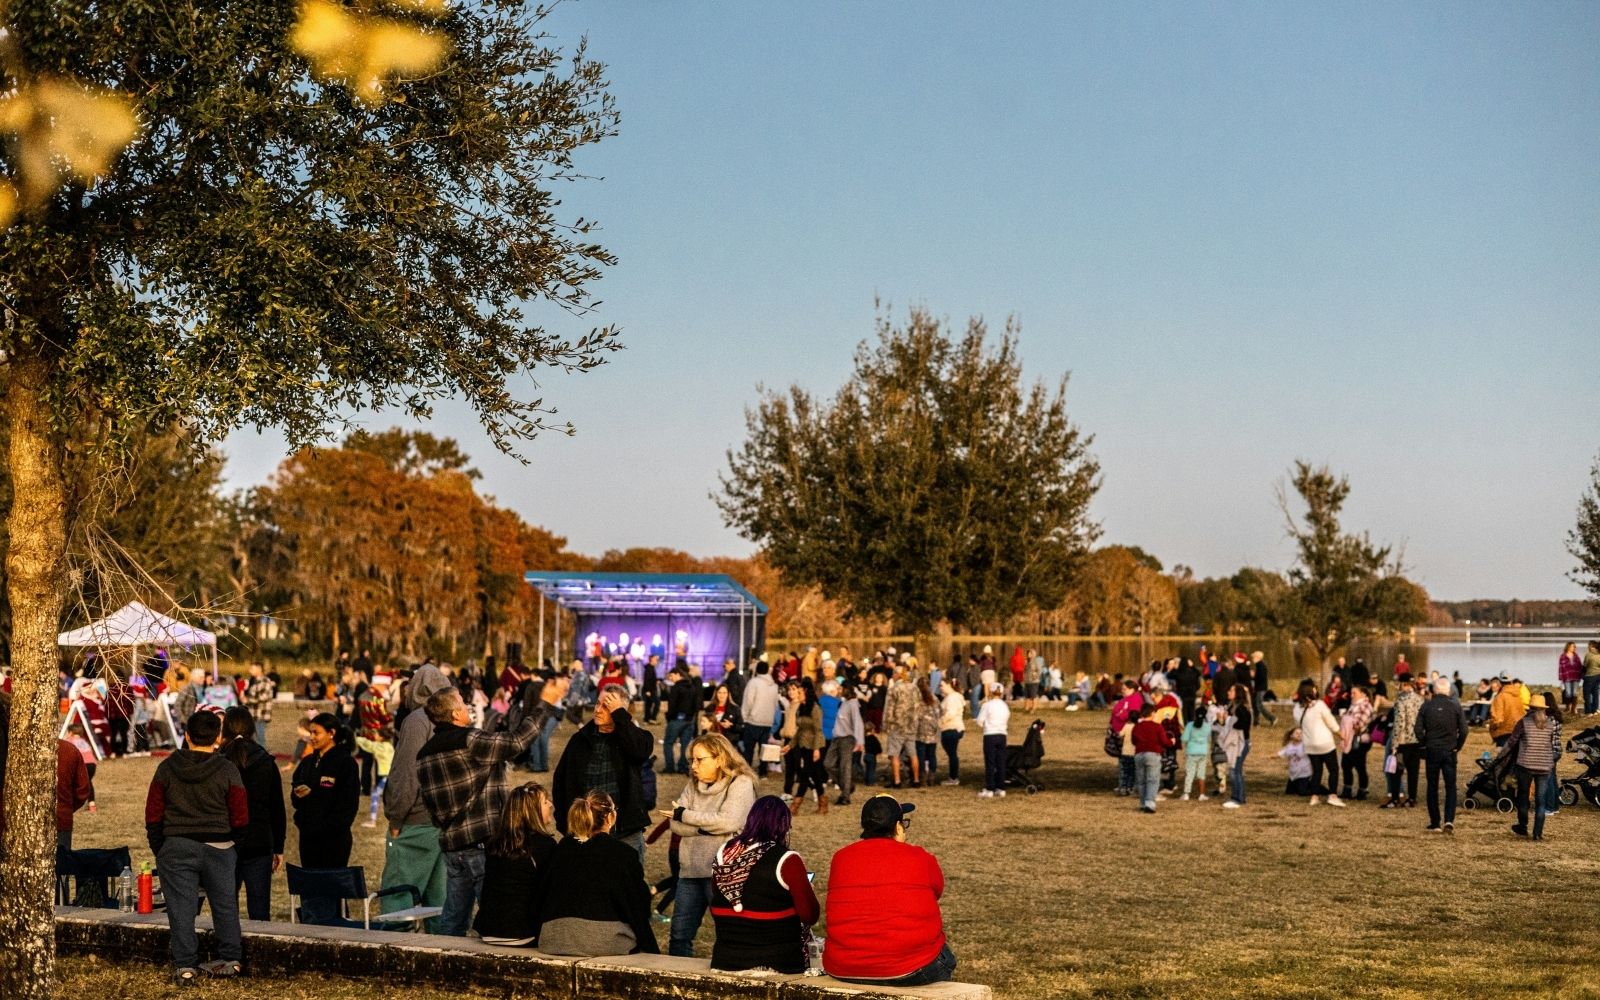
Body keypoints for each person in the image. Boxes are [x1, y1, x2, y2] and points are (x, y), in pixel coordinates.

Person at [417, 678, 563, 936]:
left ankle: (444, 957)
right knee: (495, 915)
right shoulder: (470, 740)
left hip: (452, 846)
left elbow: (430, 803)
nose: (467, 706)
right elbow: (517, 741)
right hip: (482, 843)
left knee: (454, 919)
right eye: (462, 702)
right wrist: (544, 705)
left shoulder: (424, 755)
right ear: (455, 714)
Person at [145, 709, 248, 984]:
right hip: (220, 845)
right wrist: (234, 845)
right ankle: (231, 959)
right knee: (225, 905)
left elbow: (153, 813)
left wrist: (161, 847)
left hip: (176, 845)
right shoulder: (227, 769)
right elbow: (240, 814)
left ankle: (186, 965)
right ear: (218, 738)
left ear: (187, 735)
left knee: (180, 909)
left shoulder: (167, 767)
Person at [822, 794, 954, 985]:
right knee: (945, 957)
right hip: (912, 968)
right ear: (898, 827)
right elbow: (937, 891)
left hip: (843, 967)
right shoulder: (920, 857)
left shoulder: (841, 858)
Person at [662, 733, 757, 957]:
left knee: (729, 934)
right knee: (679, 935)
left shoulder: (741, 783)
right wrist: (703, 827)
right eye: (691, 760)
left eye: (699, 759)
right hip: (690, 870)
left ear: (719, 759)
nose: (693, 766)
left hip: (723, 874)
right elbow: (675, 825)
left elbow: (729, 821)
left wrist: (685, 815)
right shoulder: (692, 785)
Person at [532, 791, 658, 956]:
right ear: (609, 817)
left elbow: (541, 895)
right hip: (604, 941)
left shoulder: (560, 849)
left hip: (555, 938)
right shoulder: (624, 854)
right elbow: (639, 905)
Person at [708, 795, 820, 973]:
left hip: (725, 958)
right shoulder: (787, 860)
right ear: (783, 825)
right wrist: (807, 891)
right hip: (775, 961)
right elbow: (809, 915)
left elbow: (717, 892)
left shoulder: (724, 853)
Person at [381, 663, 453, 924]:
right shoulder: (450, 720)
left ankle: (393, 947)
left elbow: (406, 775)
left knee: (398, 903)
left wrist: (396, 819)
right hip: (444, 822)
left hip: (416, 823)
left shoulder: (417, 720)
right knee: (440, 904)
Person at [552, 686, 654, 858]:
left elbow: (640, 751)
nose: (598, 710)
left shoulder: (635, 737)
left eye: (606, 706)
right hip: (585, 832)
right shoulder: (579, 740)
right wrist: (565, 823)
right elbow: (560, 782)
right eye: (597, 704)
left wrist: (620, 715)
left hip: (625, 832)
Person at [473, 783, 558, 946]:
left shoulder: (496, 844)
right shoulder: (544, 845)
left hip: (489, 930)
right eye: (545, 801)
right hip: (522, 932)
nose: (551, 804)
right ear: (532, 811)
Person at [221, 707, 285, 921]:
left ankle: (229, 941)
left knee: (226, 909)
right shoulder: (265, 760)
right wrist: (278, 846)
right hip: (259, 841)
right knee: (259, 911)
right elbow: (276, 808)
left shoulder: (219, 760)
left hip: (226, 840)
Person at [290, 713, 360, 870]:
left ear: (331, 733)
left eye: (316, 733)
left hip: (333, 841)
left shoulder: (346, 763)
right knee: (311, 883)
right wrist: (298, 796)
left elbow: (348, 805)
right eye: (310, 733)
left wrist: (313, 795)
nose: (312, 737)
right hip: (308, 838)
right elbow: (295, 798)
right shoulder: (307, 763)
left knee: (330, 884)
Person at [1415, 676, 1469, 833]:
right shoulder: (1455, 706)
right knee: (1450, 786)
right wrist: (1457, 746)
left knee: (1432, 786)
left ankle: (1435, 822)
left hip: (1432, 749)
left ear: (1434, 690)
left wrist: (1424, 742)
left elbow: (1418, 729)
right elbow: (1464, 730)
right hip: (1449, 750)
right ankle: (1449, 820)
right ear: (1449, 690)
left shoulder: (1426, 706)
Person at [1506, 694, 1560, 841]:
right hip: (1544, 766)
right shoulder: (1550, 723)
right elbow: (1549, 743)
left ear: (1530, 707)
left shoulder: (1524, 722)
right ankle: (1537, 833)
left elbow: (1512, 741)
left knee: (1523, 796)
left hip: (1526, 765)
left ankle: (1523, 826)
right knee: (1540, 800)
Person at [1292, 680, 1344, 807]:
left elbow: (1298, 725)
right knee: (1333, 769)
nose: (1316, 690)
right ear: (1310, 691)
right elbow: (1331, 722)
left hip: (1309, 745)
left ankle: (1314, 797)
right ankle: (1332, 796)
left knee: (1317, 771)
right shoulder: (1319, 705)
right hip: (1325, 743)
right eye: (1314, 688)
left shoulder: (1297, 708)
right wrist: (1341, 734)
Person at [1384, 673, 1424, 808]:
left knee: (1396, 771)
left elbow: (1399, 723)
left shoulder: (1401, 700)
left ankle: (1395, 799)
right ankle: (1412, 798)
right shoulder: (1420, 699)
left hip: (1402, 742)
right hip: (1416, 741)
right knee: (1413, 772)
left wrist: (1394, 744)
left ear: (1404, 684)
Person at [738, 660, 780, 771]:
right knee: (764, 749)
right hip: (767, 721)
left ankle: (747, 770)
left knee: (749, 748)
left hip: (753, 720)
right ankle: (763, 771)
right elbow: (775, 704)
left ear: (756, 670)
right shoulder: (774, 685)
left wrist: (744, 716)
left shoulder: (753, 683)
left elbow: (748, 701)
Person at [1131, 703, 1173, 813]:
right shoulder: (1157, 726)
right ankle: (1149, 803)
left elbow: (1134, 741)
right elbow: (1164, 741)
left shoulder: (1137, 726)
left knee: (1141, 781)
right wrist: (1171, 742)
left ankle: (1142, 802)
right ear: (1152, 713)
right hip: (1153, 754)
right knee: (1152, 780)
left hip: (1139, 754)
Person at [1338, 685, 1375, 801]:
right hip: (1350, 738)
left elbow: (1358, 725)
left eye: (1354, 693)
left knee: (1359, 765)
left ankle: (1362, 790)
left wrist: (1345, 719)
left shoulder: (1365, 706)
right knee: (1346, 764)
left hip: (1360, 740)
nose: (1352, 695)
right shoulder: (1354, 705)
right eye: (1351, 693)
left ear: (1363, 694)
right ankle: (1347, 789)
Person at [56, 733, 92, 852]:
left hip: (61, 818)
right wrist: (66, 808)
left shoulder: (16, 751)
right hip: (62, 818)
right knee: (60, 861)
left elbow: (82, 789)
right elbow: (83, 789)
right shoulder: (69, 749)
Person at [662, 665, 699, 774]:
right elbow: (697, 704)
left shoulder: (676, 688)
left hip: (677, 719)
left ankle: (670, 767)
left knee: (668, 743)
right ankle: (683, 767)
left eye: (671, 676)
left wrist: (669, 717)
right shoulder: (692, 687)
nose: (670, 678)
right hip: (690, 720)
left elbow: (672, 705)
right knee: (685, 745)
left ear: (678, 674)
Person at [976, 682, 1010, 799]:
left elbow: (979, 722)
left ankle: (990, 788)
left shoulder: (987, 705)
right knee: (1001, 762)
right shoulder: (1005, 706)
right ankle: (1001, 788)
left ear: (990, 692)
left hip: (990, 735)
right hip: (1002, 735)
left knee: (990, 762)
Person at [1221, 683, 1252, 809]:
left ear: (1237, 693)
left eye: (1231, 690)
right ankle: (1240, 796)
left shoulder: (1241, 708)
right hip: (1238, 743)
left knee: (1235, 770)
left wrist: (1229, 719)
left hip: (1241, 743)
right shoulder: (1233, 707)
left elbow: (1242, 725)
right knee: (1236, 770)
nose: (1228, 692)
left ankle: (1237, 798)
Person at [937, 678, 965, 786]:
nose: (940, 688)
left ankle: (953, 777)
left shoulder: (952, 698)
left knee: (952, 754)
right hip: (952, 727)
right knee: (952, 754)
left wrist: (940, 721)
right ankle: (953, 776)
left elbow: (950, 713)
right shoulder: (952, 697)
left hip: (951, 727)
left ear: (949, 685)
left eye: (942, 685)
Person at [1488, 670, 1526, 748]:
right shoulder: (1518, 696)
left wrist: (1492, 730)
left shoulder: (1500, 697)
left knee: (1503, 755)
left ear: (1500, 682)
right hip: (1519, 733)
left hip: (1504, 734)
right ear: (1511, 681)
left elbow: (1497, 719)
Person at [1180, 709, 1211, 801]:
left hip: (1191, 751)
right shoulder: (1208, 726)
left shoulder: (1190, 725)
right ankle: (1202, 794)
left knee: (1190, 773)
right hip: (1203, 752)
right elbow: (1208, 738)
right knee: (1201, 773)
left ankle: (1186, 794)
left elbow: (1184, 738)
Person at [242, 662, 275, 746]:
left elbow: (263, 697)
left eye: (252, 669)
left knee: (259, 739)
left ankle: (262, 753)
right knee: (252, 739)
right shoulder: (253, 681)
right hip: (253, 714)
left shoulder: (265, 681)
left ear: (259, 669)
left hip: (260, 715)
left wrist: (247, 700)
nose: (250, 671)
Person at [1279, 728, 1313, 796]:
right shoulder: (1289, 746)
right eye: (1297, 733)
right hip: (1294, 775)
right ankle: (1310, 785)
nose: (1299, 735)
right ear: (1291, 736)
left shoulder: (1305, 745)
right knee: (1289, 792)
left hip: (1304, 774)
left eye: (1301, 733)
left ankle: (1317, 788)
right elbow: (1280, 754)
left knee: (1302, 792)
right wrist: (1268, 757)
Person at [1558, 642, 1583, 716]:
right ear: (1568, 647)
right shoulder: (1563, 656)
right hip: (1567, 677)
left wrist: (1581, 675)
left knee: (1574, 693)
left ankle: (1573, 709)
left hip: (1576, 677)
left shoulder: (1576, 656)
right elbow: (1561, 667)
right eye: (1572, 646)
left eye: (1574, 647)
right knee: (1568, 693)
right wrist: (1561, 677)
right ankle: (1568, 707)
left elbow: (1580, 666)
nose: (1573, 648)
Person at [1583, 640, 1600, 716]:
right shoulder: (1599, 654)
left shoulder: (1589, 654)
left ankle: (1588, 712)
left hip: (1590, 676)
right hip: (1598, 676)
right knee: (1595, 693)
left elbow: (1585, 666)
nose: (1588, 647)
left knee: (1587, 694)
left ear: (1592, 646)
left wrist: (1583, 675)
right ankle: (1595, 710)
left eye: (1589, 645)